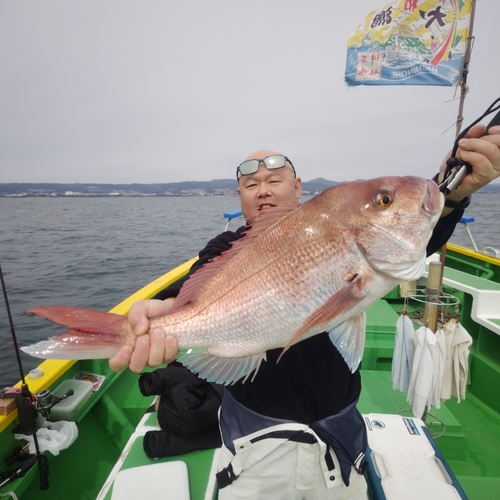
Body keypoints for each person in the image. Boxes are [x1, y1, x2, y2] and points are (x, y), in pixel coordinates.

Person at [109, 123, 500, 499]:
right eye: (250, 184)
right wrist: (165, 312)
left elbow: (412, 240)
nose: (262, 190)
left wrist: (452, 197)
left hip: (341, 436)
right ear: (239, 195)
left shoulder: (344, 233)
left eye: (274, 180)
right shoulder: (225, 247)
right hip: (255, 440)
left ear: (297, 188)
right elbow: (193, 292)